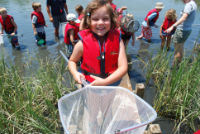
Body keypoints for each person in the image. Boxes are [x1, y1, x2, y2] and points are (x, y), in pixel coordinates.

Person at [68, 0, 128, 86]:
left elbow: (123, 67)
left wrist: (105, 82)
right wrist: (75, 73)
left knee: (109, 99)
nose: (100, 23)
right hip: (90, 83)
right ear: (89, 20)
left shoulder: (117, 40)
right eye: (95, 19)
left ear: (111, 20)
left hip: (112, 82)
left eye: (105, 19)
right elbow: (72, 61)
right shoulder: (81, 44)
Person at [165, 0, 197, 65]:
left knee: (177, 50)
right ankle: (178, 64)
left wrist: (172, 26)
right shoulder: (193, 3)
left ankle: (174, 68)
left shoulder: (188, 5)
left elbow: (184, 17)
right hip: (187, 30)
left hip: (182, 30)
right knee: (180, 47)